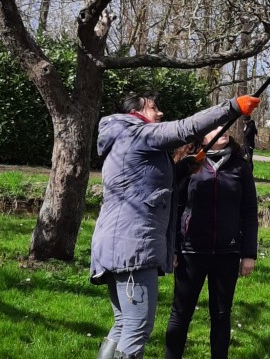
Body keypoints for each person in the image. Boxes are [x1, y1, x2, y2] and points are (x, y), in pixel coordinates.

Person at [91, 92, 260, 359]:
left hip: (117, 245)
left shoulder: (125, 138)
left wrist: (184, 169)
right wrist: (232, 107)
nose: (159, 114)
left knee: (123, 323)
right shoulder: (139, 134)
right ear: (135, 112)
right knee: (136, 327)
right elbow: (186, 128)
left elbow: (153, 187)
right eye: (154, 108)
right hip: (133, 249)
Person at [165, 126, 258, 359]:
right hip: (190, 252)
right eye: (215, 127)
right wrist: (173, 247)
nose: (223, 130)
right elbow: (175, 208)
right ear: (202, 135)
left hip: (227, 253)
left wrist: (249, 253)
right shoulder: (189, 164)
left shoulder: (241, 166)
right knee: (181, 313)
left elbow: (249, 211)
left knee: (221, 314)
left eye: (225, 126)